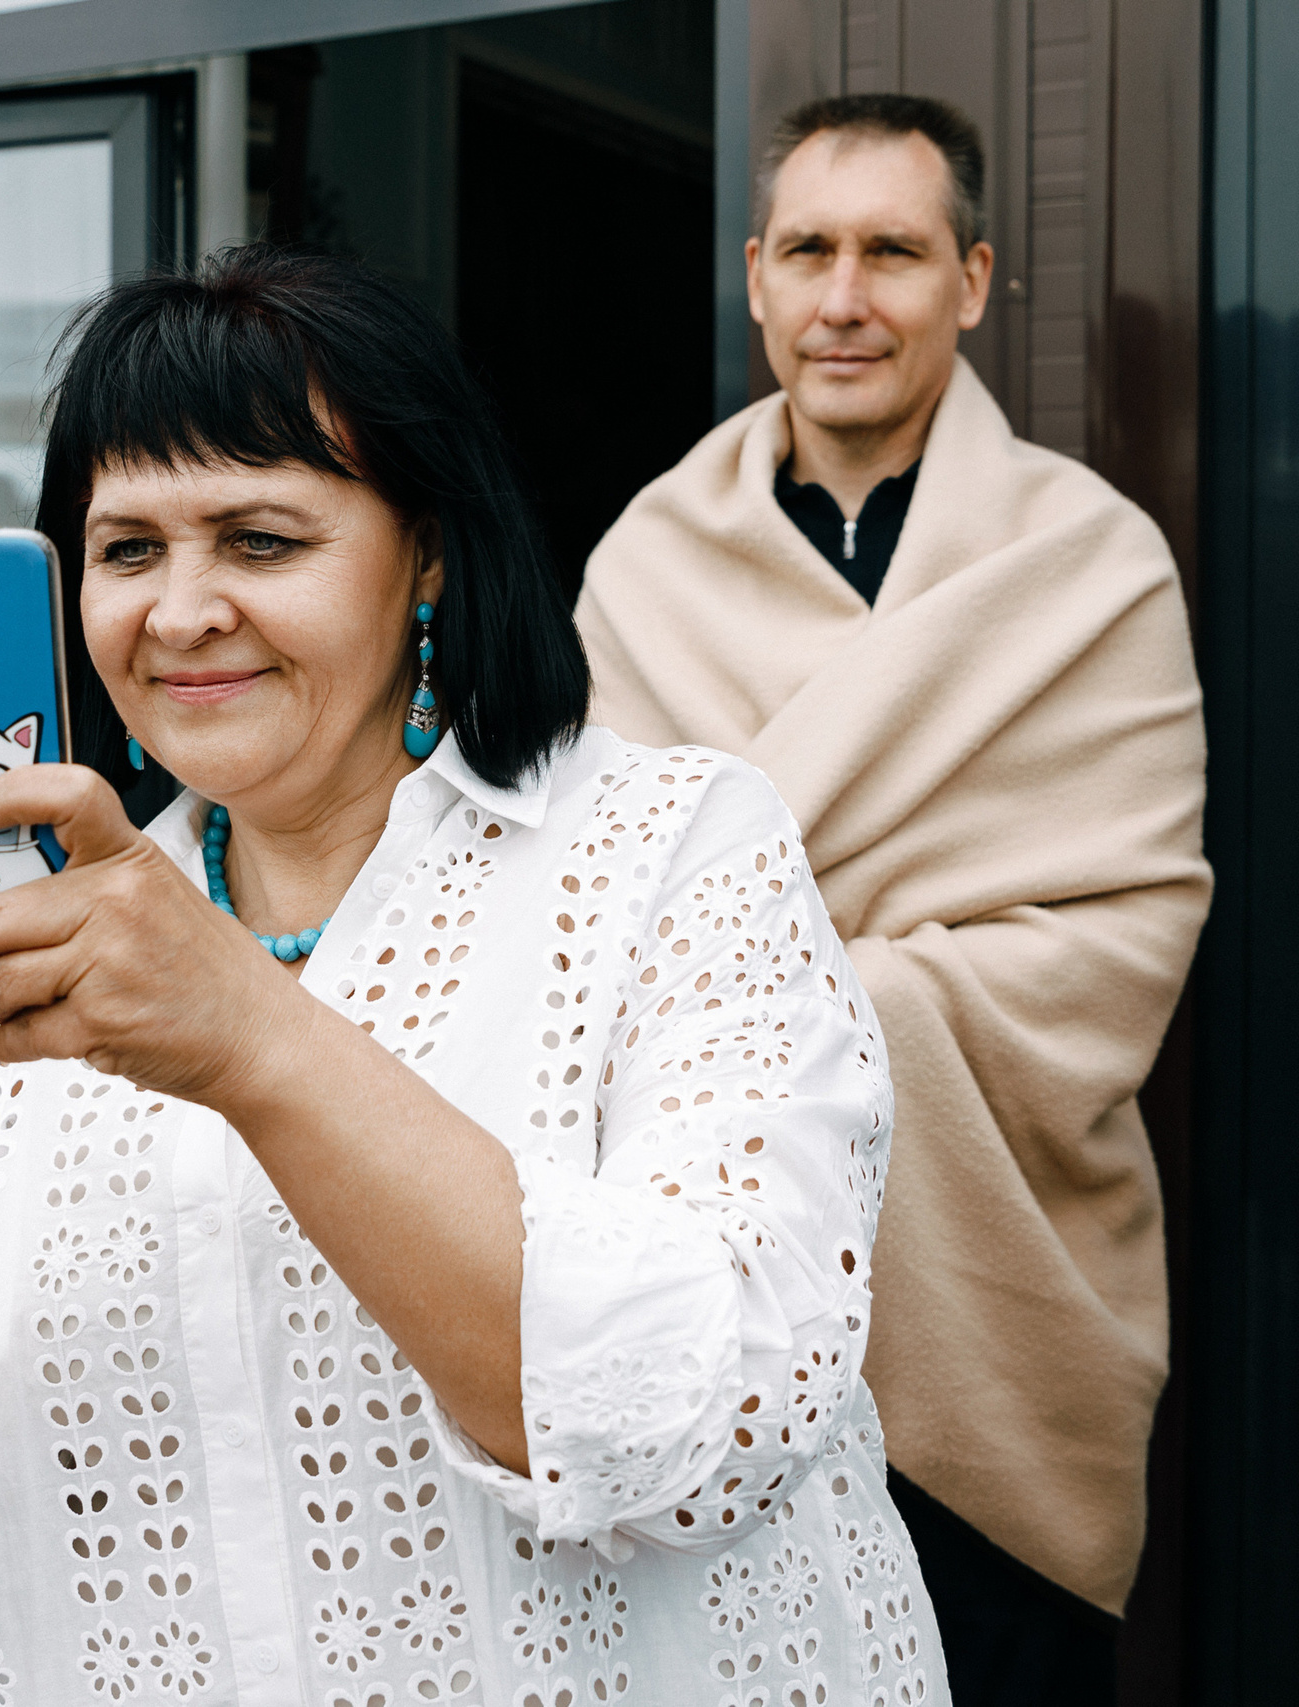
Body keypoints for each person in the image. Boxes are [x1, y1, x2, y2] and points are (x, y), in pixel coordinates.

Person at [0, 244, 945, 1705]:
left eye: (259, 539)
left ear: (428, 551)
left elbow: (705, 1422)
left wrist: (252, 1034)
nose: (179, 612)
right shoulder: (22, 959)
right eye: (127, 549)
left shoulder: (672, 851)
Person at [576, 95, 1209, 1702]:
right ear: (756, 277)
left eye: (893, 253)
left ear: (973, 281)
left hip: (1002, 1299)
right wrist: (841, 980)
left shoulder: (1092, 564)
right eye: (809, 251)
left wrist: (797, 1001)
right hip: (710, 1314)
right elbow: (588, 914)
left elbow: (1124, 933)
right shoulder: (644, 566)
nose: (845, 298)